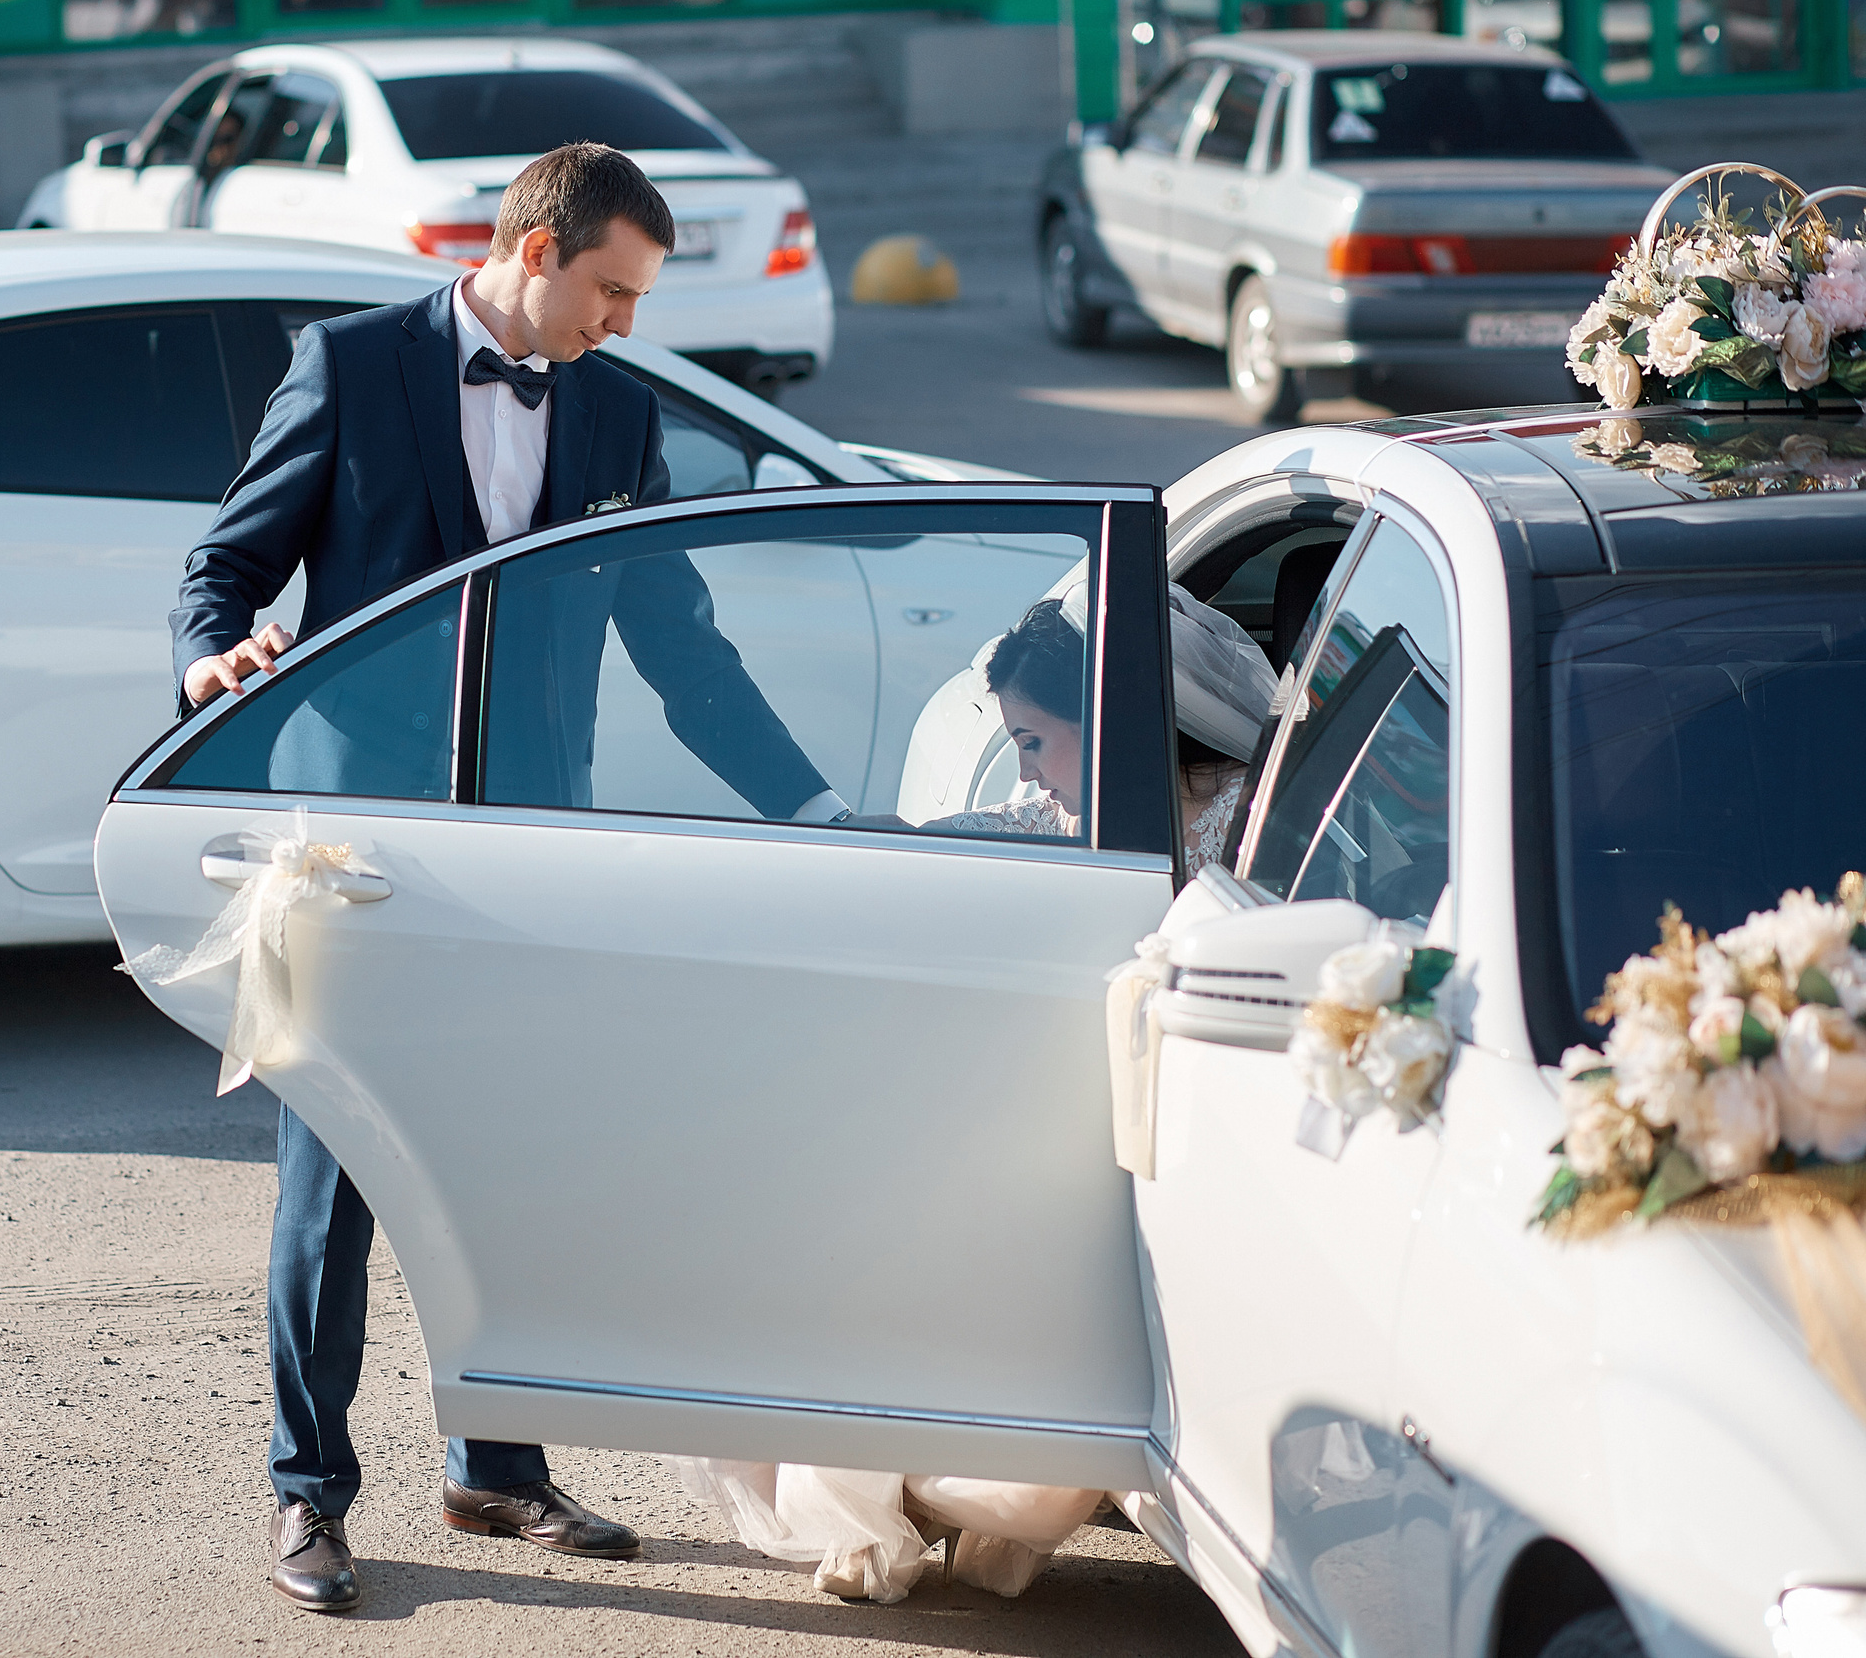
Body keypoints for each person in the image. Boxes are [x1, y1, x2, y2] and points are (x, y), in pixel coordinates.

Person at [169, 141, 837, 1614]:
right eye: (610, 289)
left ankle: (498, 1462)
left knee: (506, 1164)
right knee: (330, 1185)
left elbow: (679, 639)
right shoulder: (346, 370)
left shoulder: (616, 409)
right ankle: (308, 1493)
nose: (624, 323)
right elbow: (222, 569)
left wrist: (810, 803)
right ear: (531, 252)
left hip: (529, 845)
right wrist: (216, 660)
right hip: (348, 849)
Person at [675, 584, 1279, 1604]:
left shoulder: (1249, 824)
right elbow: (976, 838)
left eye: (1036, 742)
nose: (1029, 771)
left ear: (1112, 722)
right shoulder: (1057, 811)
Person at [924, 583, 1278, 873]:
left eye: (1031, 743)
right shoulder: (1079, 815)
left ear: (1102, 722)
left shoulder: (1251, 815)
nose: (1025, 774)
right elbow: (979, 831)